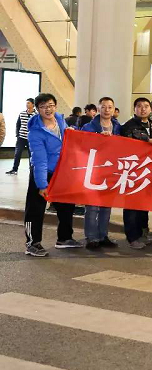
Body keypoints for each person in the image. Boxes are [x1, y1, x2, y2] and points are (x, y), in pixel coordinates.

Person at [22, 93, 81, 257]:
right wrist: (42, 185)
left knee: (66, 206)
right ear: (37, 109)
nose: (47, 109)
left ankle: (64, 238)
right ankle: (32, 243)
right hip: (42, 173)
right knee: (36, 209)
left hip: (61, 172)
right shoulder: (35, 132)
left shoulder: (60, 120)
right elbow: (39, 160)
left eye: (50, 105)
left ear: (55, 106)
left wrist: (72, 131)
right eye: (43, 107)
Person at [80, 97, 121, 250]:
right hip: (94, 170)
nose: (107, 110)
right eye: (103, 107)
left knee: (106, 205)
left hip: (111, 170)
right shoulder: (88, 127)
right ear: (98, 109)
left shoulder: (118, 127)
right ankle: (91, 237)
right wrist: (98, 139)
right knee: (92, 205)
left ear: (114, 109)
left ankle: (103, 235)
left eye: (110, 107)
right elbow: (82, 145)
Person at [120, 97, 152, 249]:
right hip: (133, 171)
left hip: (149, 170)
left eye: (146, 106)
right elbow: (127, 147)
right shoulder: (128, 126)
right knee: (131, 205)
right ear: (134, 109)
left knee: (143, 205)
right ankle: (132, 237)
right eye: (139, 106)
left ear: (150, 109)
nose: (143, 109)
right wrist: (146, 141)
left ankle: (142, 234)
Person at [7, 98, 35, 175]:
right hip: (21, 137)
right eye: (26, 103)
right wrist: (17, 134)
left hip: (31, 138)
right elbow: (18, 124)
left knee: (31, 155)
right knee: (17, 153)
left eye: (28, 103)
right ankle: (14, 170)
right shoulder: (22, 113)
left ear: (33, 104)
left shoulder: (36, 115)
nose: (27, 104)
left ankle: (32, 170)